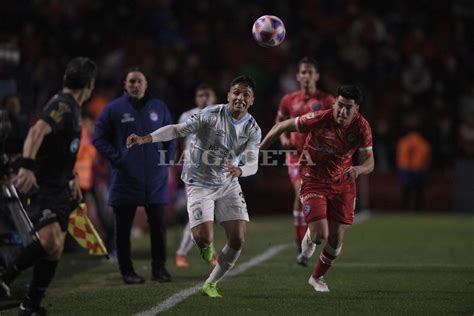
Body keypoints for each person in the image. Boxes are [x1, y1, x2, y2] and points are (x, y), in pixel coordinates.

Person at [126, 75, 261, 298]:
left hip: (228, 183)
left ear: (252, 100)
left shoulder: (253, 129)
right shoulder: (211, 114)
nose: (240, 97)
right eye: (236, 92)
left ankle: (211, 283)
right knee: (203, 238)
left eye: (245, 94)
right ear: (228, 95)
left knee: (237, 239)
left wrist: (241, 170)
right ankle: (206, 247)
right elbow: (178, 130)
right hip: (199, 183)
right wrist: (144, 139)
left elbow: (253, 162)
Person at [0, 57, 97, 315]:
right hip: (40, 185)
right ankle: (5, 278)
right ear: (90, 85)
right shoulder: (63, 105)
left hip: (59, 186)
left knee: (55, 247)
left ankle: (29, 305)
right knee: (51, 239)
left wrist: (71, 175)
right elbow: (36, 132)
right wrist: (27, 166)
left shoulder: (72, 108)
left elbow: (60, 149)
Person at [260, 85, 374, 292]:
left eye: (348, 108)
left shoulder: (362, 127)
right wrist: (259, 151)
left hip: (343, 182)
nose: (342, 111)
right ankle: (310, 236)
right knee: (320, 235)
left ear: (356, 108)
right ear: (334, 103)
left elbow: (370, 162)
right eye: (340, 105)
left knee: (337, 239)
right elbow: (281, 126)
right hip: (314, 179)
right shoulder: (320, 118)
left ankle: (317, 277)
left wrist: (358, 169)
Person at [93, 67, 177, 284]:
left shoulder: (159, 107)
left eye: (139, 81)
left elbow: (172, 135)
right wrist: (118, 158)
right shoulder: (113, 109)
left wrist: (166, 160)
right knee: (122, 230)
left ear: (146, 83)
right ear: (125, 85)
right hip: (125, 178)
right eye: (131, 81)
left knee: (158, 227)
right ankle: (127, 272)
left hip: (155, 179)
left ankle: (159, 270)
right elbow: (99, 138)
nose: (135, 85)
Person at [275, 57, 335, 265]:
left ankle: (308, 238)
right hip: (295, 154)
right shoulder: (289, 100)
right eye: (303, 72)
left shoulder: (327, 100)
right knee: (301, 191)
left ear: (317, 76)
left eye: (310, 72)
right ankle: (301, 243)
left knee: (314, 199)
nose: (307, 75)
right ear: (298, 76)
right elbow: (280, 121)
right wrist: (283, 138)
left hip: (318, 157)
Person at [175, 84, 218, 268]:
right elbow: (179, 140)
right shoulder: (187, 116)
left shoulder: (219, 116)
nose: (204, 99)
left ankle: (209, 251)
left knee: (208, 214)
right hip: (193, 172)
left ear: (213, 98)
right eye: (200, 95)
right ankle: (182, 253)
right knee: (198, 214)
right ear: (196, 98)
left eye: (207, 95)